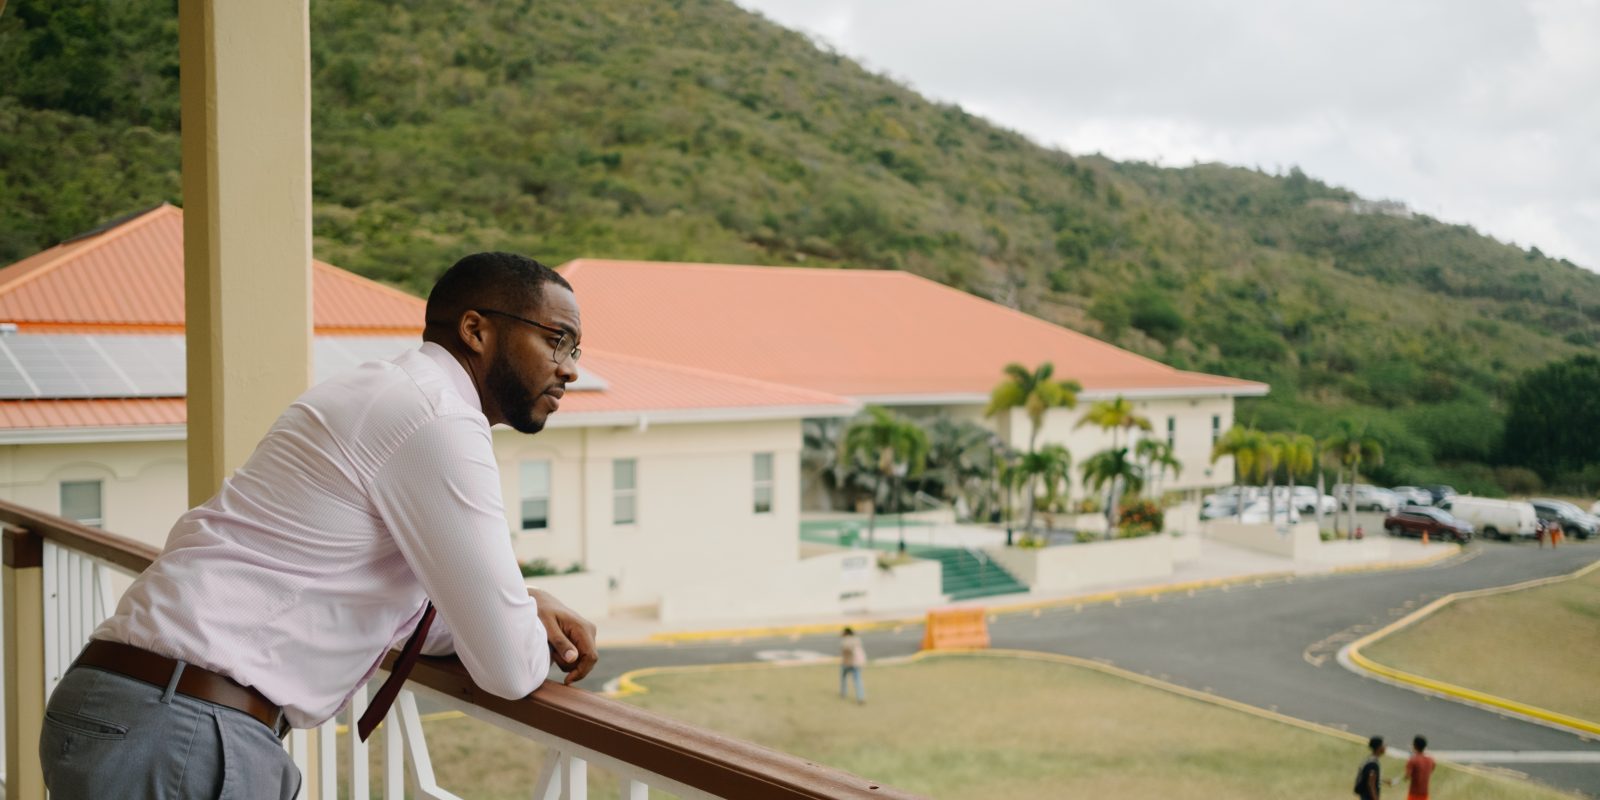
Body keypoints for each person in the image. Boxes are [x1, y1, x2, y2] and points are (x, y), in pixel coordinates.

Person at [40, 253, 599, 799]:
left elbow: (388, 614)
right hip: (185, 733)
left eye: (574, 348)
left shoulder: (384, 391)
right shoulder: (440, 420)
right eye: (556, 339)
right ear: (475, 330)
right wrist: (518, 619)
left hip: (132, 708)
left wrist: (517, 605)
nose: (570, 366)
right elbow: (509, 667)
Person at [1390, 734, 1435, 800]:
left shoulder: (1413, 760)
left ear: (1414, 745)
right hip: (1425, 793)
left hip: (1414, 794)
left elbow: (1407, 777)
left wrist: (1397, 780)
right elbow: (1431, 769)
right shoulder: (1431, 760)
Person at [840, 627, 867, 704]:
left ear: (846, 633)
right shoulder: (857, 639)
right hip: (857, 663)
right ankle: (860, 697)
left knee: (843, 678)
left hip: (848, 663)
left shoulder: (845, 641)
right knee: (858, 680)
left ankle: (843, 693)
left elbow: (845, 651)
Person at [1355, 735, 1385, 800]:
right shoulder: (1373, 764)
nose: (1385, 747)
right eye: (1383, 745)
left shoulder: (1369, 759)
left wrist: (1385, 781)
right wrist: (1376, 798)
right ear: (1379, 747)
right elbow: (1371, 783)